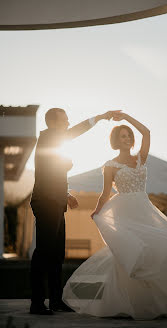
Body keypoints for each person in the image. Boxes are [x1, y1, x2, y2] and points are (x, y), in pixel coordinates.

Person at [62, 112, 167, 320]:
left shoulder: (140, 158)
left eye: (128, 136)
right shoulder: (109, 165)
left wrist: (125, 117)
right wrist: (97, 211)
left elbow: (146, 132)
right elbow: (105, 193)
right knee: (131, 257)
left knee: (160, 249)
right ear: (115, 141)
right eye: (121, 137)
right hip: (123, 213)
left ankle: (150, 302)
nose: (126, 139)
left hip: (144, 209)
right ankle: (128, 303)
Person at [30, 107, 119, 315]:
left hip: (55, 201)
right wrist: (99, 117)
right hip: (45, 202)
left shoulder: (54, 140)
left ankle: (55, 300)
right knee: (44, 252)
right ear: (53, 123)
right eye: (65, 120)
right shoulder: (49, 137)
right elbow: (75, 132)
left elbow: (52, 173)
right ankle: (36, 303)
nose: (68, 123)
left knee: (56, 253)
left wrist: (66, 193)